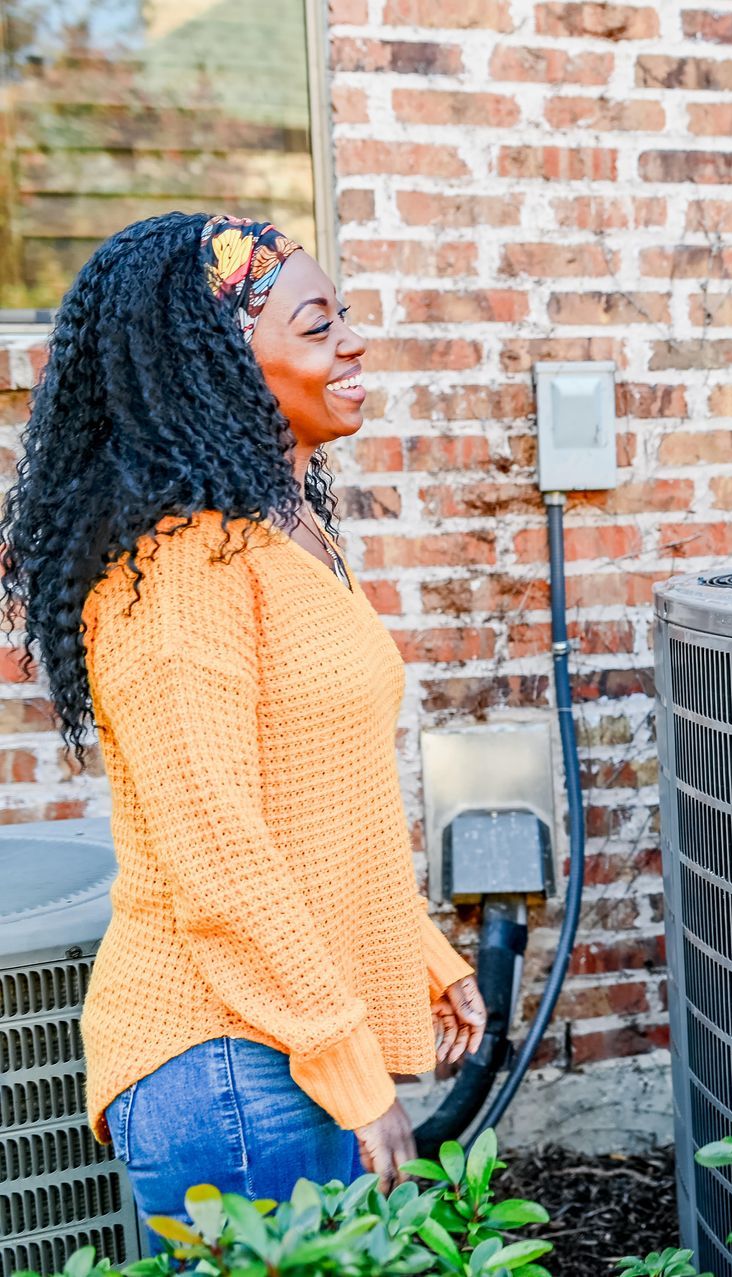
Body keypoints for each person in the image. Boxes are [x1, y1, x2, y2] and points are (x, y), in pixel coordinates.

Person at [0, 213, 489, 1218]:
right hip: (225, 1065)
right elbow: (220, 852)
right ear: (220, 365)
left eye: (342, 317)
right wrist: (351, 1071)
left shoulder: (288, 532)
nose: (352, 342)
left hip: (283, 1050)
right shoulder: (182, 564)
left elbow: (329, 809)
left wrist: (426, 957)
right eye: (317, 326)